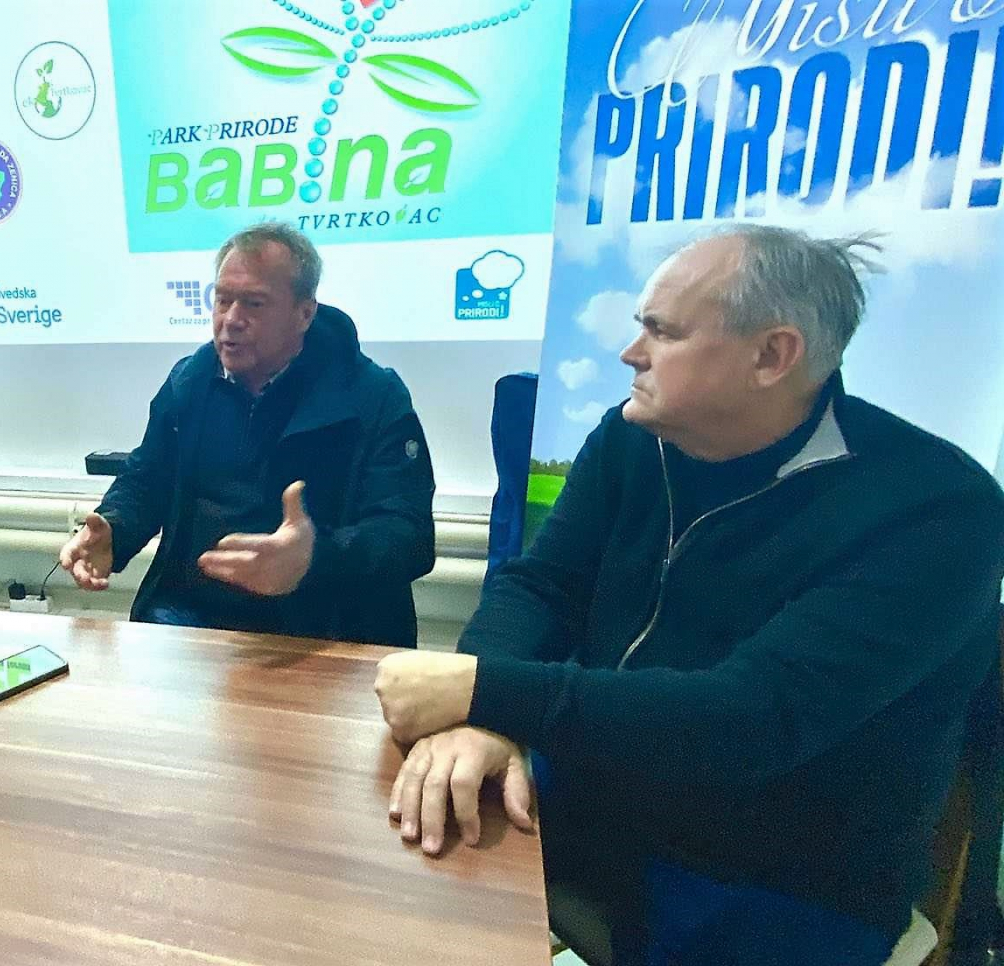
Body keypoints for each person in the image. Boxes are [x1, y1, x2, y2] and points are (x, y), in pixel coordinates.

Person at [373, 226, 1004, 963]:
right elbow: (543, 585)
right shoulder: (632, 438)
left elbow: (752, 721)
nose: (630, 353)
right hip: (587, 803)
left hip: (779, 879)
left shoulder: (937, 510)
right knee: (380, 895)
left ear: (772, 356)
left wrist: (484, 690)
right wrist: (483, 719)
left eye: (662, 332)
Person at [59, 221, 435, 646]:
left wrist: (315, 558)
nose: (231, 320)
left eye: (254, 304)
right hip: (192, 617)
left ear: (304, 313)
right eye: (222, 300)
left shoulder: (372, 396)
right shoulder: (190, 381)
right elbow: (147, 481)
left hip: (320, 627)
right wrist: (114, 530)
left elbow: (409, 536)